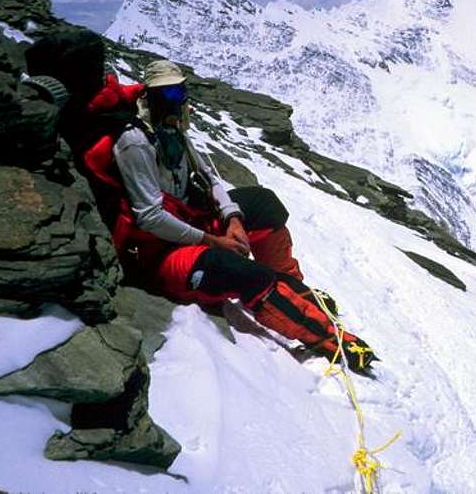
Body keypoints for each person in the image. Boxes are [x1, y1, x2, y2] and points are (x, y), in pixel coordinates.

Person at [109, 59, 374, 372]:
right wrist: (213, 240)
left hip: (190, 221)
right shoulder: (135, 143)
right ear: (148, 96)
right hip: (160, 253)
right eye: (167, 95)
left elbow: (208, 176)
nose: (178, 102)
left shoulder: (172, 129)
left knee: (264, 204)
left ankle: (293, 289)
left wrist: (232, 219)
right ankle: (329, 339)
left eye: (180, 92)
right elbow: (149, 217)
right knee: (248, 274)